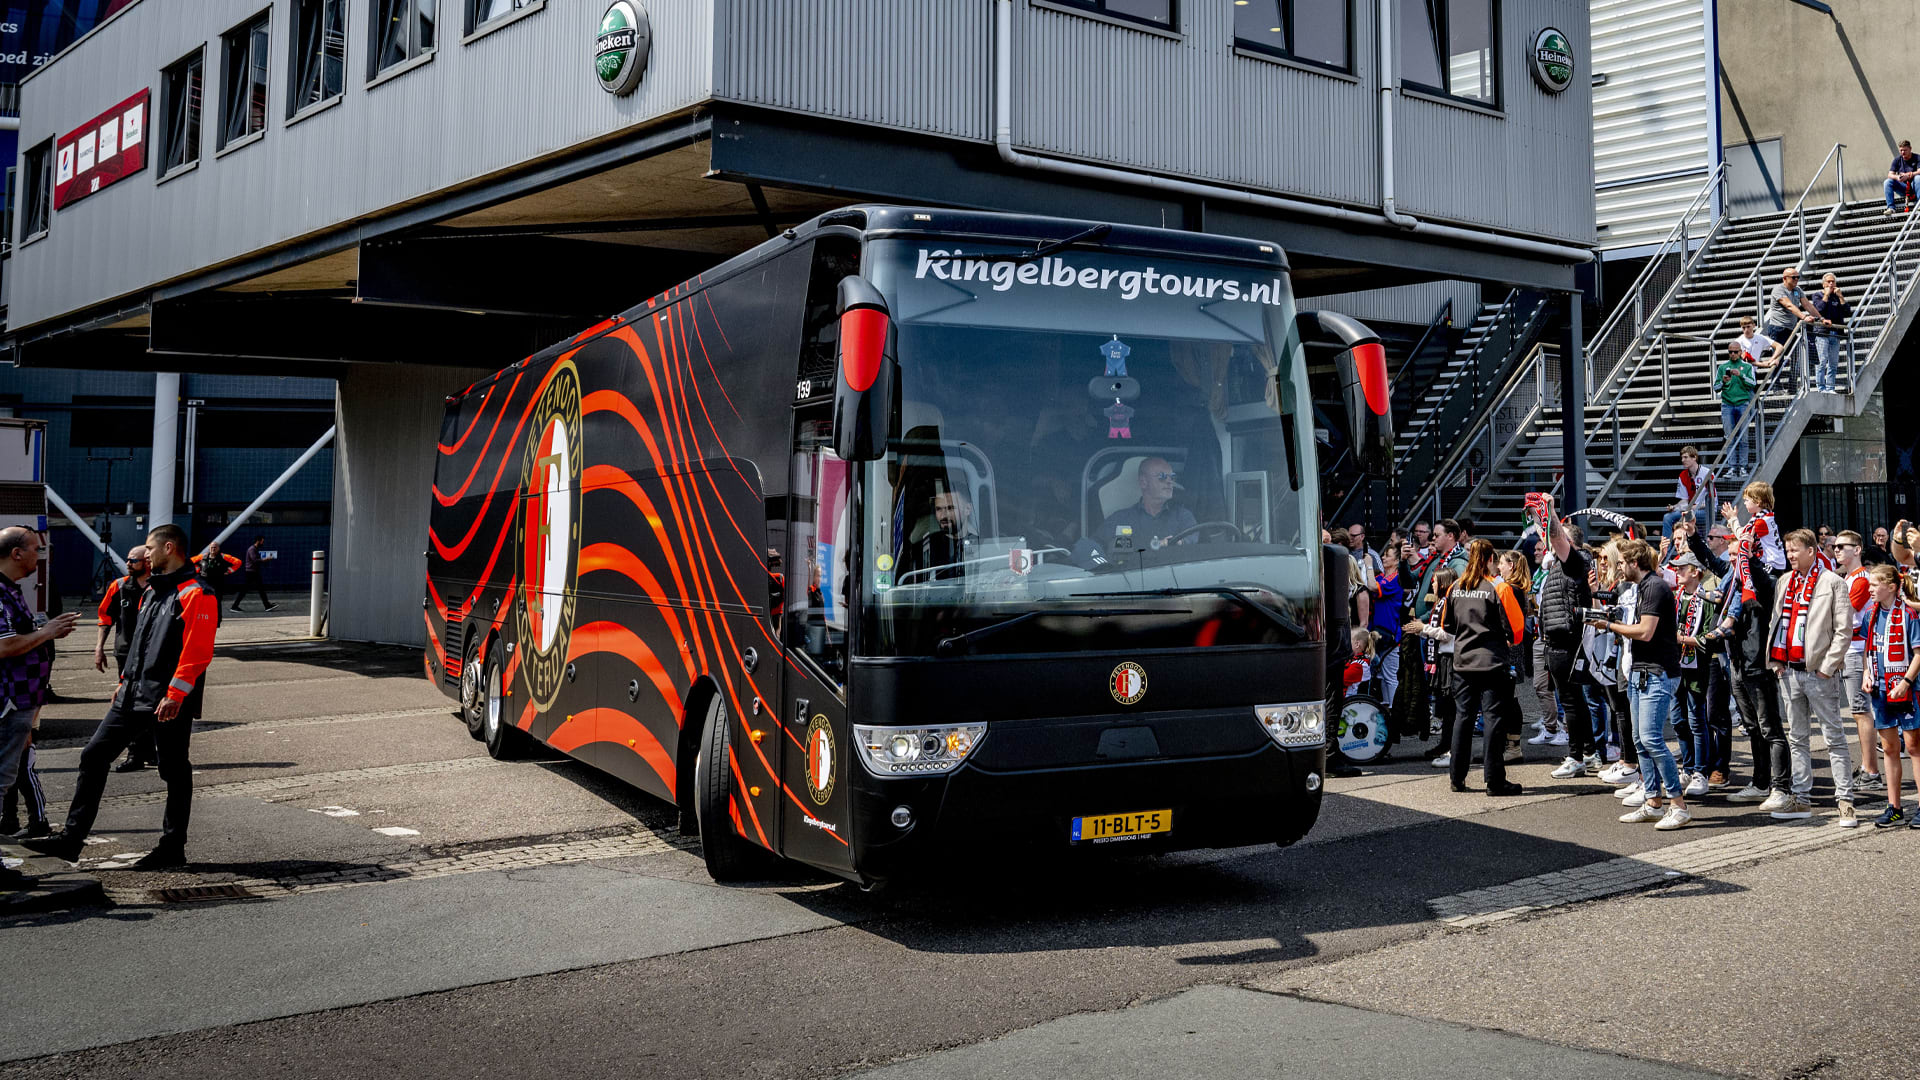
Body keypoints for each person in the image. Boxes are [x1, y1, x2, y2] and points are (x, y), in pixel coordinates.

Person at [23, 524, 220, 869]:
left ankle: (172, 847)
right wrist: (124, 681)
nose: (145, 554)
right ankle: (71, 840)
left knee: (173, 770)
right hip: (133, 694)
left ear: (169, 548)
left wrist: (176, 694)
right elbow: (139, 644)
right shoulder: (153, 590)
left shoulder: (197, 593)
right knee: (94, 755)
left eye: (149, 548)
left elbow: (197, 651)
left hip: (167, 700)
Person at [1591, 538, 1693, 829]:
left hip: (1657, 673)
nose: (1619, 567)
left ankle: (1678, 805)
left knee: (1651, 740)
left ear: (1635, 563)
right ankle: (1653, 801)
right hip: (1640, 671)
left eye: (1623, 562)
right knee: (1639, 740)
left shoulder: (1655, 587)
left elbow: (1646, 632)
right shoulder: (1641, 587)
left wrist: (1608, 625)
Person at [0, 527, 79, 887]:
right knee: (1, 780)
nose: (40, 556)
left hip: (17, 700)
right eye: (36, 549)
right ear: (16, 553)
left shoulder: (11, 589)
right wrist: (47, 632)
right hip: (7, 701)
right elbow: (4, 646)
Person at [1766, 528, 1857, 825]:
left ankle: (1845, 801)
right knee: (1797, 738)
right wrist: (1777, 663)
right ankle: (1801, 798)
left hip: (1820, 673)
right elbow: (1777, 621)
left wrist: (1827, 667)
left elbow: (1843, 630)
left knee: (1834, 738)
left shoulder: (1832, 582)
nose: (1790, 555)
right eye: (1787, 550)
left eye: (1795, 550)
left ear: (1811, 551)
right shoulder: (1784, 581)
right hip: (1789, 670)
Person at [1435, 540, 1526, 796]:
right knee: (1493, 720)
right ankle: (1494, 781)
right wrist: (1504, 639)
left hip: (1463, 662)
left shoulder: (1456, 586)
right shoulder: (1499, 587)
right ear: (1490, 560)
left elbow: (1446, 625)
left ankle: (1457, 777)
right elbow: (1517, 629)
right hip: (1492, 663)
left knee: (1463, 718)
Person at [1535, 497, 1603, 779]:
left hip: (1567, 640)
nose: (1550, 545)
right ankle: (1589, 753)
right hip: (1558, 640)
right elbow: (1548, 533)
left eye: (1558, 541)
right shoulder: (1561, 566)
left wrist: (1550, 511)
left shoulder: (1575, 562)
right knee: (1575, 700)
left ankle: (1576, 757)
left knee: (1571, 701)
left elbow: (1554, 535)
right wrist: (1540, 516)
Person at [1861, 564, 1920, 827]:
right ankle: (1894, 807)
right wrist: (1866, 673)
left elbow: (1918, 654)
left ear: (1892, 587)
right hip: (1881, 689)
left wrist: (1906, 682)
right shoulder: (1870, 615)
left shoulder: (1908, 614)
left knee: (1914, 747)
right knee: (1888, 747)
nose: (1870, 589)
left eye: (1875, 585)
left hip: (1907, 689)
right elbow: (1867, 650)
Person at [94, 545, 155, 773]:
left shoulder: (158, 586)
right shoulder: (119, 586)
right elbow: (105, 618)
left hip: (153, 654)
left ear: (146, 562)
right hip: (126, 653)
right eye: (128, 560)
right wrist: (99, 648)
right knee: (130, 703)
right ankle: (135, 754)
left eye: (133, 560)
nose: (128, 563)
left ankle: (151, 751)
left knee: (150, 703)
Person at [1834, 531, 1885, 795]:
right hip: (1850, 649)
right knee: (1859, 711)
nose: (1837, 550)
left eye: (1842, 546)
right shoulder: (1849, 578)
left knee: (1861, 710)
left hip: (1856, 650)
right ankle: (1867, 766)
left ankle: (1871, 771)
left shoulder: (1861, 579)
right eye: (1835, 546)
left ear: (1857, 549)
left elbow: (1845, 612)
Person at [1671, 552, 1713, 797]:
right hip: (1675, 666)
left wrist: (1683, 639)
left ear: (1695, 572)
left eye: (1682, 568)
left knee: (1696, 719)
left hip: (1696, 666)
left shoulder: (1706, 599)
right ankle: (1687, 768)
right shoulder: (1676, 597)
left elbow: (1709, 635)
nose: (1677, 572)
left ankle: (1700, 771)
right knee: (1678, 720)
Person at [1322, 535, 1363, 779]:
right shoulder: (1332, 571)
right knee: (1331, 701)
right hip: (1332, 647)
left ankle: (1328, 751)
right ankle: (1329, 754)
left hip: (1330, 645)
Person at [1410, 567, 1460, 766]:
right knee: (1445, 707)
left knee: (1451, 707)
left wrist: (1424, 628)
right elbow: (1435, 631)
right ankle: (1445, 744)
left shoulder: (1450, 603)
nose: (1432, 584)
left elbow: (1448, 634)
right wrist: (1420, 631)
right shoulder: (1440, 603)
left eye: (1435, 581)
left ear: (1444, 582)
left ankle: (1452, 748)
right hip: (1441, 658)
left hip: (1450, 658)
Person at [1103, 457, 1196, 552]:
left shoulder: (1183, 517)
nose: (1169, 482)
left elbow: (1192, 542)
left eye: (1172, 477)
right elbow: (1096, 546)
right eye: (1162, 477)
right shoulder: (1121, 519)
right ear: (1143, 482)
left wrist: (1179, 543)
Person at [1715, 338, 1762, 477]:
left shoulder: (1747, 367)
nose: (1733, 354)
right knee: (1729, 437)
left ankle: (1743, 467)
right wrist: (1723, 382)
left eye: (1735, 352)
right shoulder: (1723, 367)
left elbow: (1753, 384)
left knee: (1743, 437)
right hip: (1727, 404)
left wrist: (1740, 374)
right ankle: (1731, 467)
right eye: (1730, 352)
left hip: (1742, 403)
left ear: (1741, 352)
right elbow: (1716, 387)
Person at [1369, 542, 1406, 711]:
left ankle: (1394, 710)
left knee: (1390, 675)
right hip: (1378, 631)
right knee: (1382, 675)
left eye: (1387, 555)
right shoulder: (1382, 577)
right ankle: (1386, 707)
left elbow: (1372, 586)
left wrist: (1369, 565)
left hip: (1390, 633)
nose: (1383, 558)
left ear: (1397, 560)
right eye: (1383, 555)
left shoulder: (1396, 579)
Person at [1762, 268, 1816, 378]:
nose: (1796, 279)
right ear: (1785, 278)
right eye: (1793, 277)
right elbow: (1789, 305)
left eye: (1798, 277)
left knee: (1797, 355)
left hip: (1791, 329)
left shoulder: (1798, 290)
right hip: (1778, 328)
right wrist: (1804, 317)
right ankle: (1775, 384)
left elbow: (1807, 305)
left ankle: (1793, 382)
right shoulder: (1779, 289)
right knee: (1778, 358)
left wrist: (1821, 318)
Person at [1412, 518, 1468, 619]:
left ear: (1450, 536)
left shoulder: (1459, 564)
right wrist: (1403, 561)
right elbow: (1409, 580)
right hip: (1424, 623)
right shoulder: (1434, 559)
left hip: (1437, 623)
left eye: (1437, 535)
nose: (1433, 538)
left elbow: (1449, 600)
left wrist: (1423, 619)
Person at [1808, 273, 1850, 394]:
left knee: (1833, 363)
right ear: (1823, 284)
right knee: (1822, 361)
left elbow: (1847, 311)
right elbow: (1819, 310)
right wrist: (1826, 295)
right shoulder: (1817, 295)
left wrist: (1841, 296)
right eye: (1828, 282)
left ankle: (1830, 387)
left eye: (1833, 282)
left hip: (1835, 333)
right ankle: (1821, 388)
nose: (1831, 284)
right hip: (1822, 333)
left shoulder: (1837, 296)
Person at [1664, 447, 1715, 537]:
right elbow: (1684, 500)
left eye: (1685, 457)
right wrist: (1675, 507)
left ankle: (1687, 540)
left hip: (1706, 510)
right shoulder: (1683, 475)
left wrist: (1690, 508)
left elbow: (1711, 501)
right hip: (1690, 510)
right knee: (1667, 517)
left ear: (1694, 457)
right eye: (1682, 458)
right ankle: (1667, 546)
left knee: (1686, 516)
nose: (1683, 460)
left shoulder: (1707, 473)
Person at [232, 536, 276, 612]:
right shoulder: (252, 549)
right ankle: (234, 606)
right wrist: (266, 559)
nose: (263, 543)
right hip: (251, 572)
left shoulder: (254, 549)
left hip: (253, 572)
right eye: (262, 541)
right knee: (248, 590)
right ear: (258, 541)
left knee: (259, 589)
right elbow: (255, 560)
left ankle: (267, 605)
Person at [1884, 139, 1920, 217]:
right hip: (1903, 187)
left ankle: (1919, 204)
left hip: (1915, 186)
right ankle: (1891, 208)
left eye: (1905, 150)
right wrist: (1897, 177)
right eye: (1901, 150)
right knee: (1887, 182)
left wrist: (1909, 175)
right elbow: (1890, 174)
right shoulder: (1897, 160)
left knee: (1918, 178)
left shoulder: (1917, 158)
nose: (1903, 152)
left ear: (1910, 149)